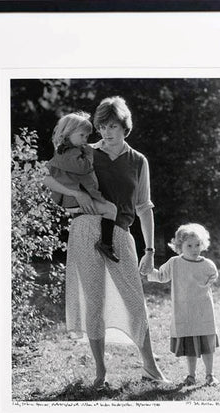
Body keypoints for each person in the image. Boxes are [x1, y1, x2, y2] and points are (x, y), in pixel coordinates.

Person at [43, 96, 168, 388]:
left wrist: (149, 250)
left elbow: (144, 207)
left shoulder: (138, 160)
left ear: (125, 127)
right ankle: (101, 372)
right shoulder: (85, 152)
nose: (106, 132)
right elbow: (49, 176)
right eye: (102, 126)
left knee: (136, 302)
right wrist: (81, 197)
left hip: (120, 232)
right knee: (94, 303)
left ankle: (150, 368)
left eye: (113, 126)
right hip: (85, 229)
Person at [147, 223, 220, 386]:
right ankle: (191, 375)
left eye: (197, 245)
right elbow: (161, 276)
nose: (194, 249)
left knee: (207, 346)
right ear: (180, 246)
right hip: (184, 312)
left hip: (204, 312)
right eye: (189, 245)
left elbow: (212, 278)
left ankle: (210, 375)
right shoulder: (175, 263)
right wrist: (148, 270)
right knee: (191, 348)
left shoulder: (208, 265)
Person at [47, 111, 119, 262]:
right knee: (110, 209)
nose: (85, 140)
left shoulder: (67, 150)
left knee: (103, 213)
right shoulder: (68, 153)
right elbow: (83, 168)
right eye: (82, 136)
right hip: (72, 200)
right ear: (68, 133)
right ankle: (105, 244)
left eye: (87, 137)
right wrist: (89, 153)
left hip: (74, 199)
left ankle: (101, 245)